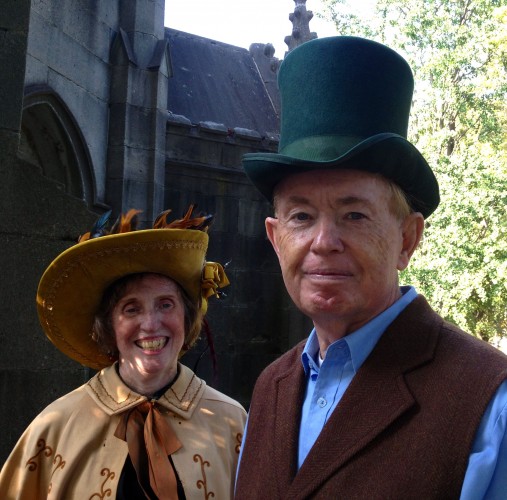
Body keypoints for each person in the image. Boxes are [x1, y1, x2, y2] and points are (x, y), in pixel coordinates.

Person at [235, 36, 507, 499]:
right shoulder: (271, 388)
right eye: (301, 217)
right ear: (275, 239)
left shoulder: (488, 403)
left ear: (407, 239)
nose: (323, 242)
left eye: (354, 215)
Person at [0, 206, 246, 499]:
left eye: (166, 304)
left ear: (186, 317)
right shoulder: (55, 426)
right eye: (132, 309)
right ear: (108, 326)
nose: (151, 324)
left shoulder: (234, 423)